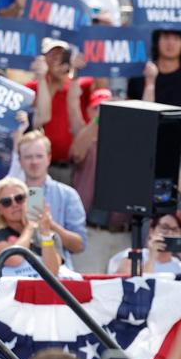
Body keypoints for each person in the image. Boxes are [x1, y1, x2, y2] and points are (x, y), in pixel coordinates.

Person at [67, 87, 131, 273]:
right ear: (90, 111)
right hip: (92, 232)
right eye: (97, 108)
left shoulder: (132, 145)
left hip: (123, 234)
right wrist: (100, 118)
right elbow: (76, 152)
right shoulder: (90, 143)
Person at [128, 28, 181, 154]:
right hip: (148, 152)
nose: (171, 43)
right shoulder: (139, 78)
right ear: (157, 41)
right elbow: (134, 117)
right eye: (166, 37)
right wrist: (150, 83)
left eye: (176, 39)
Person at [15, 131, 86, 270]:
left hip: (57, 275)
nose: (34, 162)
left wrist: (50, 225)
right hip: (12, 275)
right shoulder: (2, 194)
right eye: (28, 157)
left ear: (48, 158)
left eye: (39, 156)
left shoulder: (67, 195)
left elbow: (79, 245)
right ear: (20, 161)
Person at [26, 39, 93, 184]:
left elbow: (100, 88)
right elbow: (40, 116)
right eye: (52, 54)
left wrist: (77, 69)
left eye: (61, 54)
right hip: (36, 166)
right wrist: (49, 81)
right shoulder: (31, 87)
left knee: (64, 204)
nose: (57, 58)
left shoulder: (77, 85)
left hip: (67, 168)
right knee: (34, 204)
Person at [0, 177, 60, 277]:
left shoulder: (49, 235)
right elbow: (13, 258)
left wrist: (45, 232)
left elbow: (52, 272)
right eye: (6, 202)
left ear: (29, 200)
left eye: (19, 198)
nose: (14, 204)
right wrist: (30, 226)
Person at [108, 212, 181, 275]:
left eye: (175, 230)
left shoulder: (180, 266)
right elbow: (130, 289)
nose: (170, 233)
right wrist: (151, 258)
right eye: (164, 228)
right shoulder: (132, 256)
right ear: (151, 231)